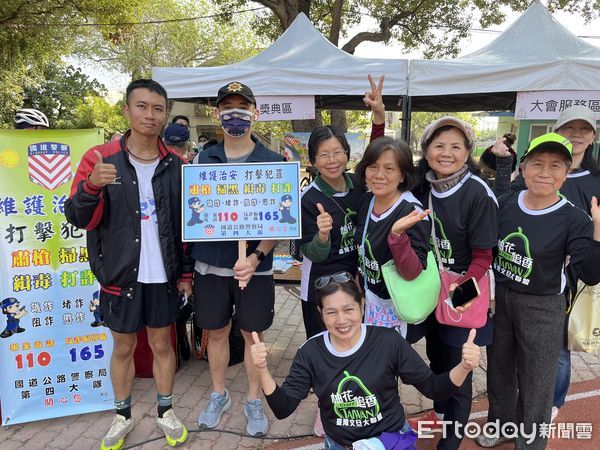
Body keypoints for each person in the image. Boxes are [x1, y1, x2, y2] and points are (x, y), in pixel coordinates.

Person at [64, 79, 192, 450]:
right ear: (127, 110)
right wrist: (91, 186)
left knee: (162, 346)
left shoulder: (177, 164)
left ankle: (165, 411)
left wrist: (185, 273)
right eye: (141, 106)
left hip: (164, 276)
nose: (149, 115)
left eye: (157, 108)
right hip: (120, 276)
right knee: (122, 349)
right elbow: (76, 216)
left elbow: (186, 227)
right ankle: (122, 416)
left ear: (165, 114)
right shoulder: (99, 159)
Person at [250, 275, 482, 449]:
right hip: (341, 445)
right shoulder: (310, 352)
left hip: (391, 441)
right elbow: (283, 408)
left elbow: (434, 389)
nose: (341, 320)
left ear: (362, 306)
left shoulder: (388, 341)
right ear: (321, 314)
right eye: (331, 312)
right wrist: (262, 370)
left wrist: (464, 367)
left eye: (348, 309)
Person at [477, 133, 600, 449]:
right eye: (538, 164)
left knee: (538, 382)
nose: (545, 172)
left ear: (566, 172)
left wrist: (598, 233)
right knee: (500, 371)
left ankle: (530, 441)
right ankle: (501, 426)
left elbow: (591, 274)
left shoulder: (575, 218)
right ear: (524, 167)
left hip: (544, 307)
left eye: (556, 165)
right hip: (502, 301)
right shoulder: (504, 204)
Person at [192, 81, 284, 437]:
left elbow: (281, 220)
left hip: (254, 271)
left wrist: (258, 256)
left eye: (242, 107)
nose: (235, 115)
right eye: (227, 108)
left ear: (255, 114)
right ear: (217, 115)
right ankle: (219, 394)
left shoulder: (273, 163)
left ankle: (252, 398)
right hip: (210, 266)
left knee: (252, 336)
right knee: (216, 333)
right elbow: (194, 213)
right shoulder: (202, 159)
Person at [401, 117, 498, 450]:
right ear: (426, 151)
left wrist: (463, 292)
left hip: (463, 288)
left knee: (461, 366)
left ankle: (452, 440)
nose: (446, 153)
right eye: (438, 145)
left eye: (456, 146)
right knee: (438, 356)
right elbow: (378, 172)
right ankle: (442, 415)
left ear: (468, 152)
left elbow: (485, 256)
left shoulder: (477, 193)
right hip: (430, 286)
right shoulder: (421, 186)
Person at [354, 136, 430, 336]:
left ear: (403, 175)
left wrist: (397, 236)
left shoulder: (412, 213)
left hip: (397, 308)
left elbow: (412, 272)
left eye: (389, 169)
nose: (379, 175)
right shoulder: (366, 201)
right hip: (368, 303)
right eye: (373, 167)